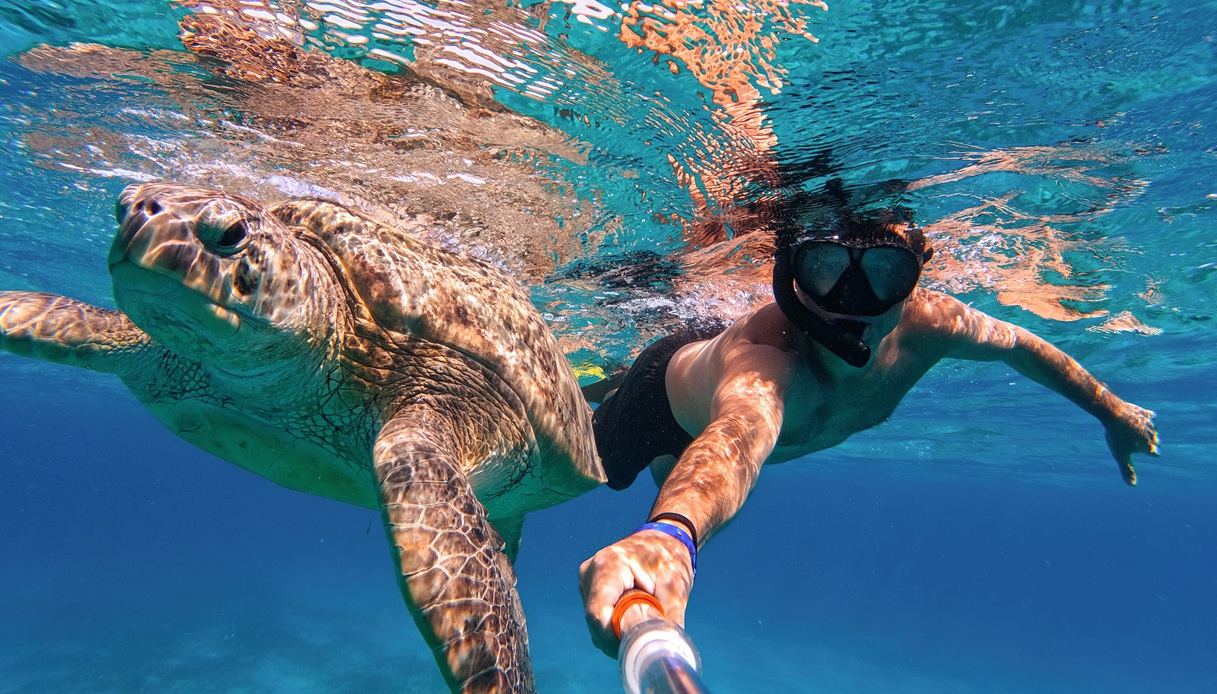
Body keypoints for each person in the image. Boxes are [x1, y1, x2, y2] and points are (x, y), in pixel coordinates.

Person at [578, 201, 1159, 656]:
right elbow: (739, 433)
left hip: (695, 436)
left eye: (884, 272)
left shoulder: (931, 324)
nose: (851, 301)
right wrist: (672, 537)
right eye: (826, 269)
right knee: (578, 471)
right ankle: (608, 381)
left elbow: (1020, 346)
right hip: (661, 400)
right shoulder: (768, 354)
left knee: (659, 477)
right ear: (794, 275)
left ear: (915, 275)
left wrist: (1110, 409)